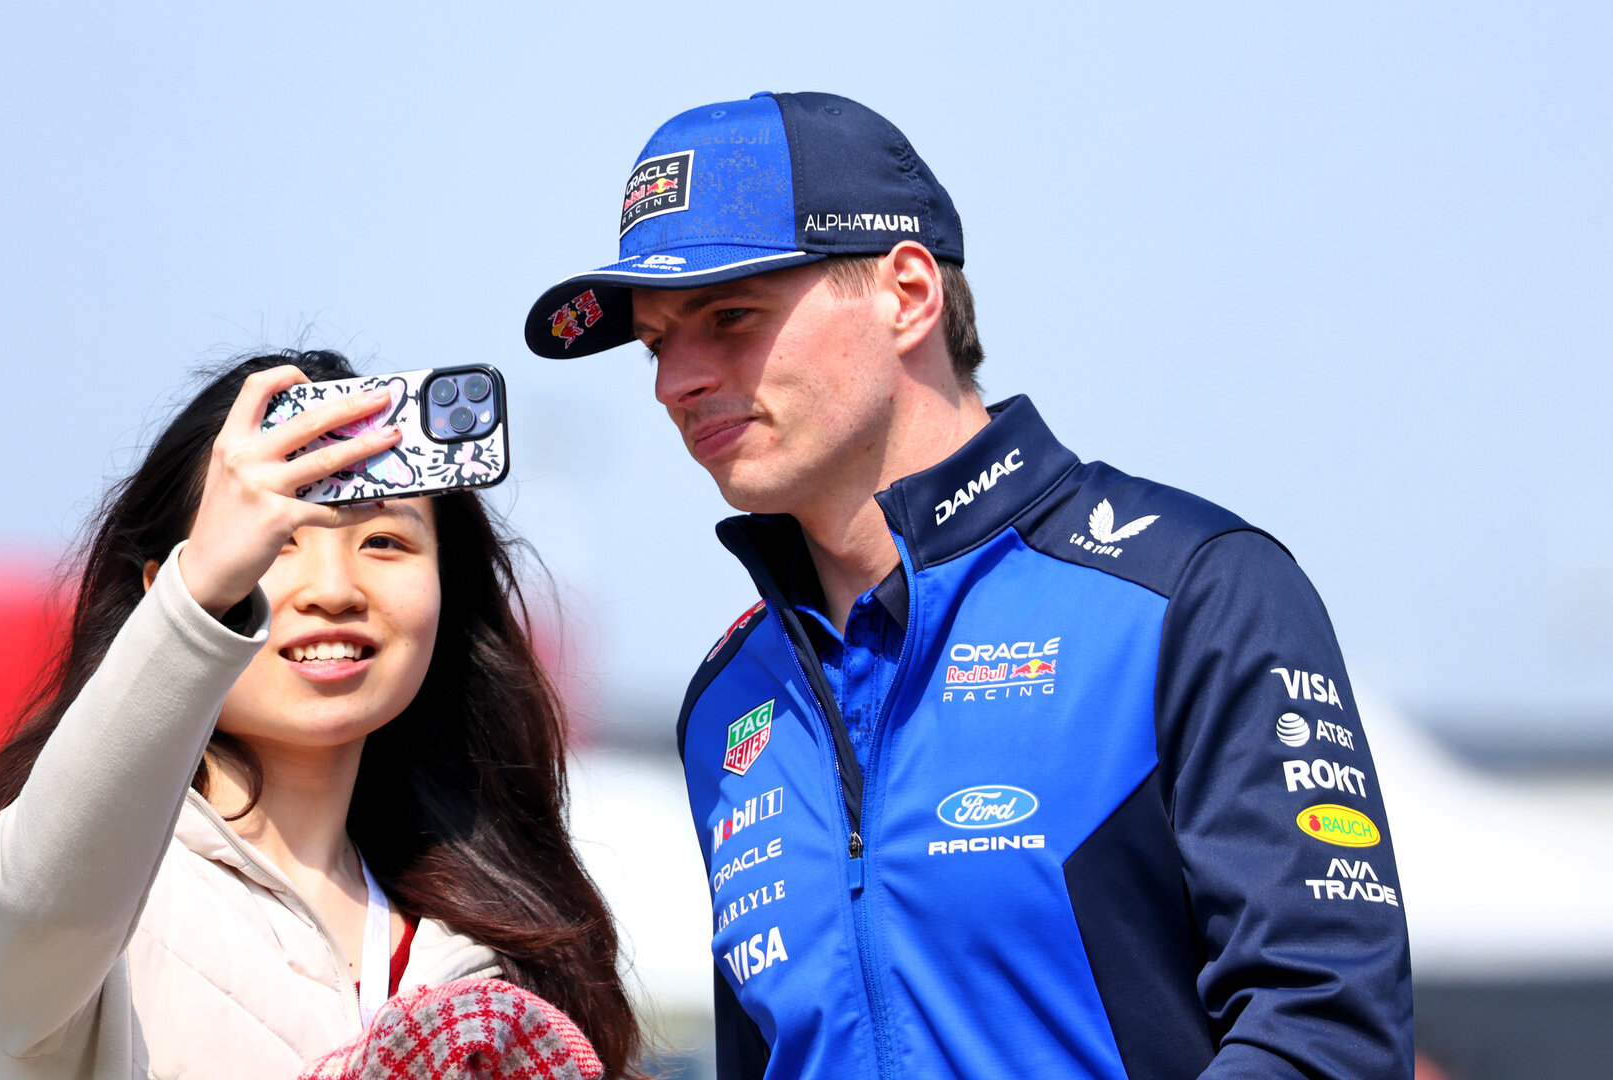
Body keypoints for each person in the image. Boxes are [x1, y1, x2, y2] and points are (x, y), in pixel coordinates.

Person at [524, 92, 1413, 1079]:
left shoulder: (1185, 593)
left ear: (906, 294)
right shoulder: (730, 701)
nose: (673, 382)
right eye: (655, 343)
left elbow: (1323, 1034)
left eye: (729, 317)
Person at [0, 351, 641, 1080]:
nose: (334, 589)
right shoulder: (90, 901)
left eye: (385, 542)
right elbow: (31, 907)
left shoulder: (493, 962)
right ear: (170, 590)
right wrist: (205, 594)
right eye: (276, 542)